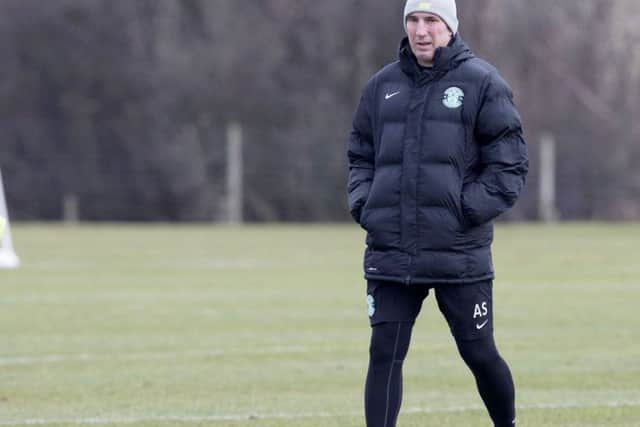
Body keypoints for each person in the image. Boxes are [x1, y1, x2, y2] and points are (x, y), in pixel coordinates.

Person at [347, 0, 529, 426]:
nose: (421, 30)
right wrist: (365, 203)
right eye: (413, 19)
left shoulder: (483, 83)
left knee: (479, 353)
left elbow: (510, 165)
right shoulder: (381, 86)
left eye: (431, 20)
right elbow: (360, 154)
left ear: (450, 27)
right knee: (384, 353)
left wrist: (464, 211)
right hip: (391, 249)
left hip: (458, 251)